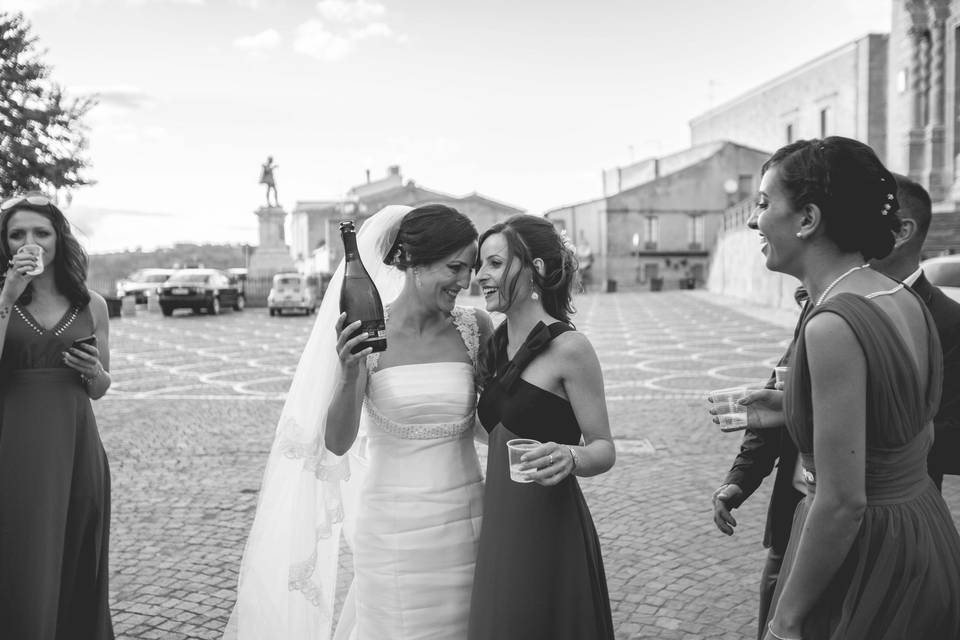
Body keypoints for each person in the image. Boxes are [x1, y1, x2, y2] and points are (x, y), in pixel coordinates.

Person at [225, 203, 493, 640]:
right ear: (412, 262)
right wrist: (350, 374)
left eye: (472, 268)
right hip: (392, 527)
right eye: (456, 267)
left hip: (467, 521)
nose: (466, 282)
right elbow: (336, 442)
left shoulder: (476, 328)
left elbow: (491, 423)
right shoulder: (367, 329)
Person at [711, 173, 960, 639]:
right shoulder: (901, 298)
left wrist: (784, 621)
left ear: (807, 219)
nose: (752, 220)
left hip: (865, 549)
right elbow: (908, 427)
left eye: (763, 203)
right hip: (921, 525)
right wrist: (796, 410)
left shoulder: (833, 322)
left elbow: (843, 502)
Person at [470, 214, 616, 640]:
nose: (481, 275)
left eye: (495, 264)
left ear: (538, 269)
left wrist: (571, 455)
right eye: (481, 264)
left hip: (549, 529)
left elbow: (604, 447)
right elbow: (489, 433)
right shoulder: (493, 345)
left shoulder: (570, 348)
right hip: (497, 522)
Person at [0, 192, 114, 639]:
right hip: (15, 444)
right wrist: (8, 293)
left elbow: (101, 389)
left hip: (77, 445)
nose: (30, 242)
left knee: (75, 555)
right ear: (5, 245)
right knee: (23, 554)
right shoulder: (2, 299)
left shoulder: (93, 305)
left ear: (58, 240)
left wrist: (94, 371)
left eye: (40, 232)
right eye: (17, 234)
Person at [870, 174, 960, 491]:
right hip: (796, 507)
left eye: (862, 217)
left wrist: (855, 423)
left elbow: (954, 440)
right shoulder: (827, 298)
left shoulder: (950, 320)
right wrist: (742, 477)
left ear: (902, 232)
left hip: (900, 512)